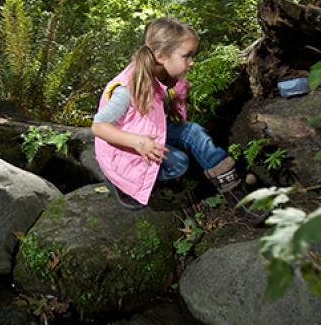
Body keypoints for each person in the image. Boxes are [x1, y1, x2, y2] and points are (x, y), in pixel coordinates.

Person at [91, 17, 264, 222]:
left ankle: (233, 190)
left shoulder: (161, 76)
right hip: (126, 150)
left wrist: (174, 93)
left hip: (150, 134)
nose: (191, 62)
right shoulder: (127, 89)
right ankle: (121, 183)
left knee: (193, 132)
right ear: (161, 55)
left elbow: (164, 115)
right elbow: (99, 127)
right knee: (178, 162)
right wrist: (138, 143)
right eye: (186, 56)